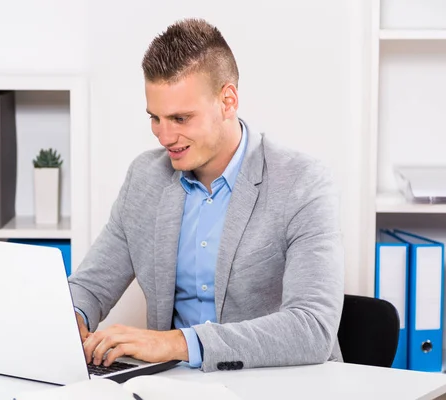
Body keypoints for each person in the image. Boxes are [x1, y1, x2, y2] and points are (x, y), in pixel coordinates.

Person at [68, 17, 344, 373]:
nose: (164, 137)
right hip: (171, 387)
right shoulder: (145, 179)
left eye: (181, 119)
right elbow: (90, 285)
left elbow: (312, 328)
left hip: (277, 384)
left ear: (228, 101)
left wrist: (177, 342)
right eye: (155, 117)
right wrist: (71, 318)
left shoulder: (303, 183)